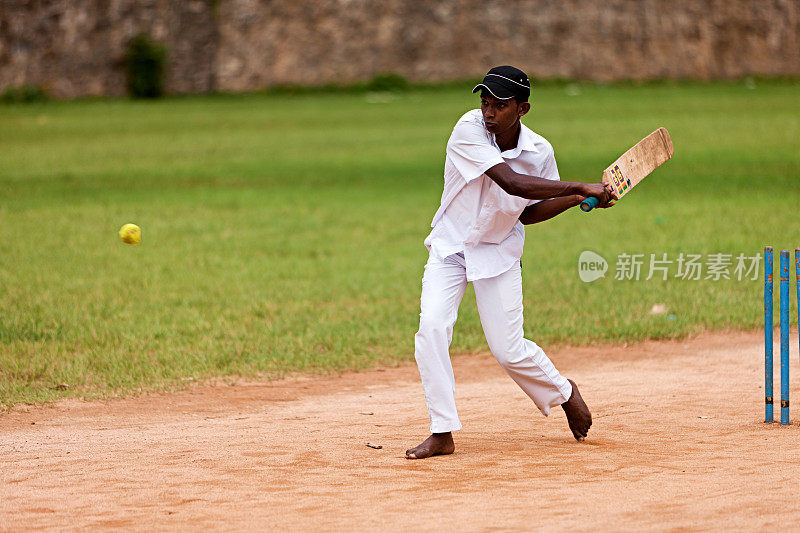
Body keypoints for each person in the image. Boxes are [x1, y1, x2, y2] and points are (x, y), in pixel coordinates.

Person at [406, 65, 614, 460]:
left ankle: (564, 392)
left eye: (500, 105)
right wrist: (579, 185)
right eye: (485, 101)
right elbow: (512, 183)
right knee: (431, 327)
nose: (489, 111)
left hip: (498, 251)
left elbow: (528, 211)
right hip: (451, 247)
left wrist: (576, 199)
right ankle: (442, 431)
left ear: (523, 109)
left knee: (508, 350)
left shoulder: (540, 152)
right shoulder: (468, 129)